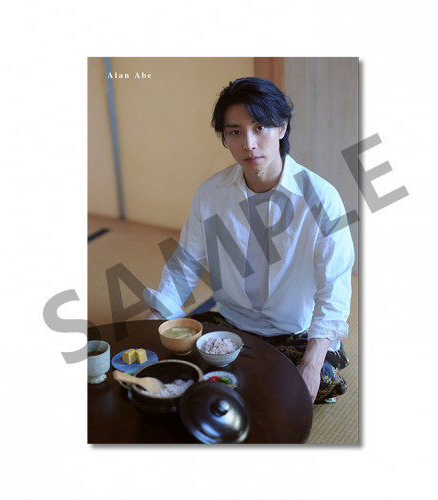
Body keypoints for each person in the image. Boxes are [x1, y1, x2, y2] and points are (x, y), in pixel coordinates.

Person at [145, 77, 355, 404]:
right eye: (235, 132)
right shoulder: (211, 194)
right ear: (225, 138)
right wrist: (158, 316)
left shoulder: (321, 198)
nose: (249, 144)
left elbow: (334, 285)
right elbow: (186, 264)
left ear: (282, 128)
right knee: (178, 356)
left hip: (293, 332)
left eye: (260, 128)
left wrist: (312, 363)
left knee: (321, 378)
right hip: (231, 326)